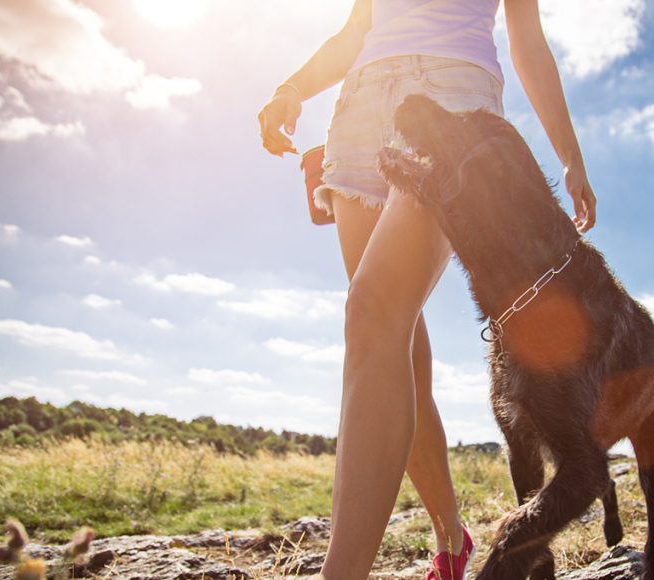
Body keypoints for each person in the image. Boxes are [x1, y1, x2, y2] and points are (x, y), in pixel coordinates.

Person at [258, 0, 596, 577]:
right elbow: (356, 30)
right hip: (360, 108)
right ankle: (449, 535)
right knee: (392, 342)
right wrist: (292, 88)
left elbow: (528, 40)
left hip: (454, 102)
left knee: (371, 315)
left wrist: (569, 154)